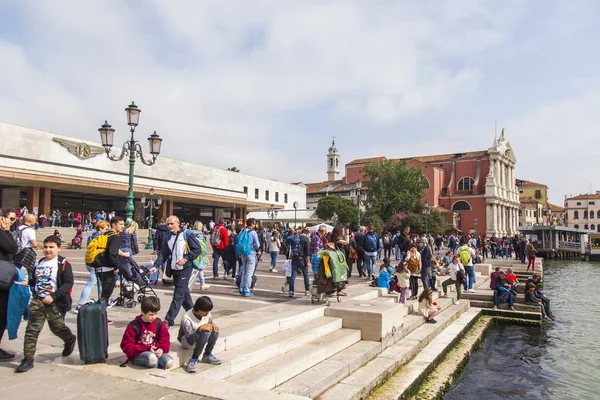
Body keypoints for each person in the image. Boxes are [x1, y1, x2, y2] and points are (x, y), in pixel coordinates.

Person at [16, 235, 76, 372]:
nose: (48, 250)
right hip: (38, 300)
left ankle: (69, 339)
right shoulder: (41, 262)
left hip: (55, 301)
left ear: (59, 248)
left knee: (57, 327)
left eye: (51, 247)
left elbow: (68, 283)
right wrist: (29, 282)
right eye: (45, 247)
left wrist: (54, 296)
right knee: (32, 329)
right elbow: (39, 280)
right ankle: (28, 358)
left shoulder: (63, 263)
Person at [153, 216, 201, 327]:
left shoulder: (186, 234)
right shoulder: (168, 237)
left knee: (178, 295)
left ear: (178, 223)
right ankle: (196, 316)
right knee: (184, 294)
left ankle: (169, 319)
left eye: (172, 224)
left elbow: (197, 249)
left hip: (185, 268)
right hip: (175, 270)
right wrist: (156, 265)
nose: (169, 226)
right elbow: (164, 254)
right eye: (168, 224)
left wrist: (186, 259)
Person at [120, 296, 174, 369]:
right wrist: (146, 348)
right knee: (152, 359)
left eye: (156, 314)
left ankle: (157, 363)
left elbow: (165, 340)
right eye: (151, 314)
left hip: (155, 351)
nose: (154, 317)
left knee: (169, 362)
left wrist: (161, 349)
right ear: (143, 312)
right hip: (140, 353)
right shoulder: (134, 325)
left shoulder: (159, 323)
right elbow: (126, 346)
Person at [178, 296, 222, 373]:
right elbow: (189, 340)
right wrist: (200, 329)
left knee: (214, 330)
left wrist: (213, 325)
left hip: (201, 340)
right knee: (205, 332)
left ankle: (207, 354)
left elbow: (210, 324)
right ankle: (194, 359)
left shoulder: (207, 314)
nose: (207, 313)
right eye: (206, 311)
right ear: (199, 310)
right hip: (187, 341)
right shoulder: (187, 318)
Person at [74, 220, 109, 312]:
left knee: (99, 282)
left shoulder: (91, 236)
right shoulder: (100, 237)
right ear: (100, 229)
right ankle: (80, 304)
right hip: (96, 263)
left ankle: (104, 301)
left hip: (89, 261)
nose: (107, 230)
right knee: (91, 283)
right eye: (106, 228)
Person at [96, 217, 127, 320]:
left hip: (99, 267)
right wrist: (116, 267)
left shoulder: (105, 234)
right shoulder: (115, 237)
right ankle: (100, 317)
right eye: (121, 224)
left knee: (103, 294)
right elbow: (112, 253)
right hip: (108, 269)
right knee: (105, 296)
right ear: (114, 225)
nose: (123, 226)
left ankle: (100, 315)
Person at [0, 208, 18, 361]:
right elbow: (13, 248)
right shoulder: (1, 233)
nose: (12, 222)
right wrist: (5, 231)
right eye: (10, 219)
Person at [239, 218, 261, 297]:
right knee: (249, 272)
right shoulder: (253, 233)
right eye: (254, 224)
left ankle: (241, 286)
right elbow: (257, 244)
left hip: (243, 252)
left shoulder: (242, 231)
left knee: (244, 270)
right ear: (252, 224)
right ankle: (247, 290)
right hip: (251, 253)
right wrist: (254, 246)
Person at [287, 229, 310, 297]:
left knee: (293, 275)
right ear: (306, 233)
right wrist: (308, 261)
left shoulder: (294, 238)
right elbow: (307, 251)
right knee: (305, 274)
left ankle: (291, 291)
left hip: (294, 258)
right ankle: (307, 290)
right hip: (302, 259)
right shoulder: (305, 239)